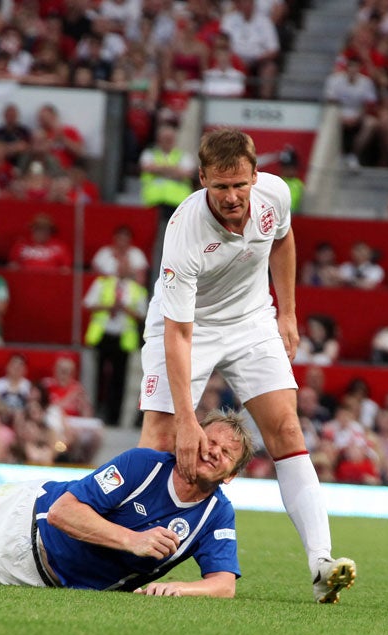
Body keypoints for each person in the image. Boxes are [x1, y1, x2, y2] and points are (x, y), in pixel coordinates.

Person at [136, 127, 356, 604]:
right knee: (158, 435)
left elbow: (282, 240)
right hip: (185, 327)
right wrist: (189, 421)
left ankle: (321, 563)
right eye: (220, 186)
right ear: (202, 181)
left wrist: (289, 311)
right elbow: (178, 334)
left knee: (287, 432)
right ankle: (128, 554)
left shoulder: (274, 194)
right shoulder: (184, 231)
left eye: (240, 184)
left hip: (253, 319)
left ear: (256, 176)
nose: (232, 196)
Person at [0, 409, 257, 599]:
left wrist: (180, 588)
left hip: (39, 581)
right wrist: (134, 541)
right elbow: (63, 513)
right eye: (209, 441)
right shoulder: (143, 464)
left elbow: (224, 583)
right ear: (192, 438)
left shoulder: (216, 514)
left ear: (231, 474)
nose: (212, 452)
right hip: (25, 518)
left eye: (225, 454)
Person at [83, 250, 149, 426]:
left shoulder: (137, 290)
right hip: (103, 335)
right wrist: (108, 306)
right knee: (98, 378)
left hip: (123, 338)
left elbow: (142, 315)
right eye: (121, 266)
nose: (123, 269)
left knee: (119, 379)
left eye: (127, 266)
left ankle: (114, 417)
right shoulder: (102, 283)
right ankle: (96, 412)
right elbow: (88, 304)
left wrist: (126, 309)